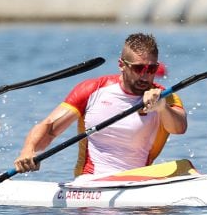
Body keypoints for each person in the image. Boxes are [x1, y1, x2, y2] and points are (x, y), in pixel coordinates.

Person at [14, 33, 187, 177]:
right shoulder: (92, 90)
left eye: (151, 69)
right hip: (91, 183)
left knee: (185, 166)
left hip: (139, 181)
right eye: (138, 68)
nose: (145, 76)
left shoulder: (164, 97)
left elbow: (180, 128)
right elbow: (49, 128)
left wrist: (162, 107)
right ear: (121, 65)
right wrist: (28, 151)